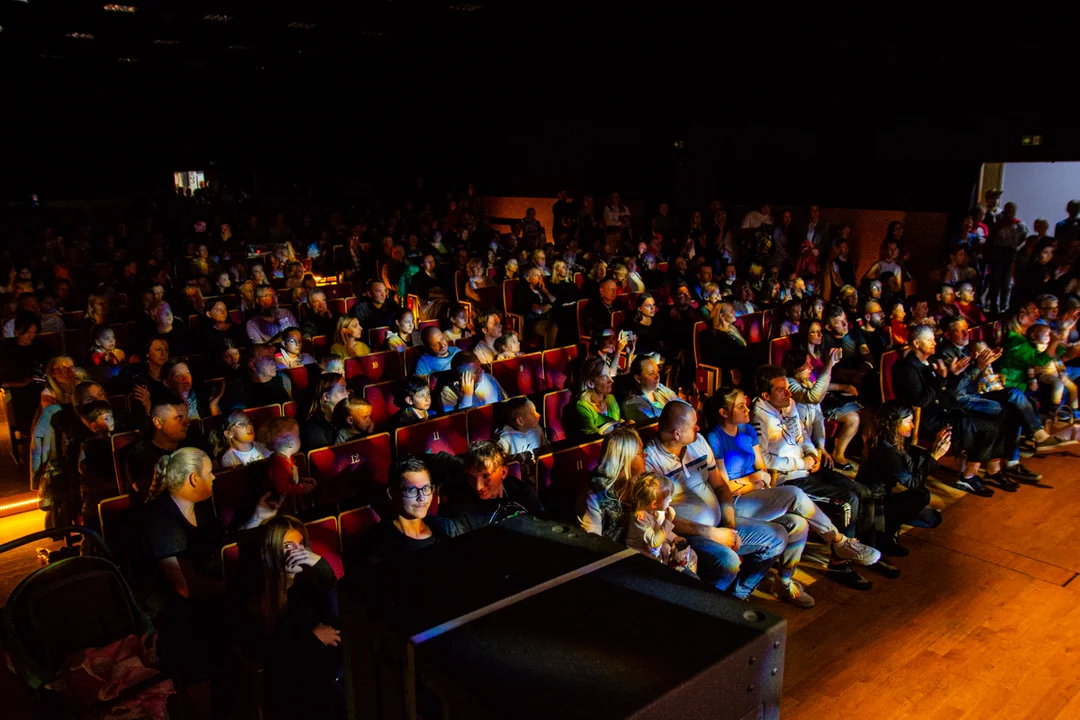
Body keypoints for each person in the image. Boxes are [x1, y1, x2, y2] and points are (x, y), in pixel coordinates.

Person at [705, 386, 880, 605]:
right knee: (795, 494)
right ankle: (838, 540)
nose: (747, 409)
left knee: (799, 524)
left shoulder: (748, 431)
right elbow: (725, 487)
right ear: (723, 412)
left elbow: (763, 469)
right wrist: (754, 481)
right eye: (740, 406)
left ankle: (784, 582)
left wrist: (757, 480)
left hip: (759, 494)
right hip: (735, 504)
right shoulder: (715, 437)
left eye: (746, 403)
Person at [750, 366, 891, 584]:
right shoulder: (759, 417)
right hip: (790, 478)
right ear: (766, 395)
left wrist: (811, 451)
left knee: (863, 491)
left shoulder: (790, 404)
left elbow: (802, 433)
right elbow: (764, 460)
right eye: (781, 390)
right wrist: (800, 461)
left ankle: (864, 548)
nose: (788, 394)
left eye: (788, 388)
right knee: (848, 500)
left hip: (808, 467)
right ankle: (839, 563)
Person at [643, 402, 787, 599]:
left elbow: (720, 486)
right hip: (689, 535)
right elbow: (657, 517)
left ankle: (737, 598)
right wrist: (711, 533)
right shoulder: (651, 459)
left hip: (720, 525)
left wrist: (730, 526)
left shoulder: (698, 442)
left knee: (777, 536)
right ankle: (705, 608)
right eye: (693, 425)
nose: (698, 428)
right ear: (677, 434)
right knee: (728, 561)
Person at [235, 514, 343, 720]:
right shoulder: (258, 596)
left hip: (325, 673)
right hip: (290, 685)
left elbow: (337, 620)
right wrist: (313, 639)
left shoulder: (309, 581)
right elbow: (268, 656)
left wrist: (323, 569)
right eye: (287, 546)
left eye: (301, 544)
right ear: (271, 550)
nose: (298, 552)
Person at [139, 447, 227, 687]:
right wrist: (237, 585)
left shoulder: (201, 508)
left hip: (206, 600)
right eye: (210, 472)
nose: (214, 477)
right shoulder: (163, 523)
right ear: (194, 478)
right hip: (178, 618)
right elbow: (186, 589)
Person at [891, 325, 1002, 497]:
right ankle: (968, 476)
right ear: (916, 343)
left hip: (945, 410)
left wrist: (954, 374)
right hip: (926, 419)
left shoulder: (932, 361)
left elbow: (948, 391)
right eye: (929, 340)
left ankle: (976, 472)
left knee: (996, 417)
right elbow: (920, 401)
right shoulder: (906, 367)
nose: (934, 342)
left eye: (933, 338)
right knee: (989, 427)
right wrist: (942, 379)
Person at [856, 402, 948, 557]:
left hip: (884, 496)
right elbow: (912, 483)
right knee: (921, 495)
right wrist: (934, 457)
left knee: (933, 519)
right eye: (909, 421)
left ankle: (891, 520)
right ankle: (884, 534)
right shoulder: (886, 451)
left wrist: (934, 449)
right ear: (894, 424)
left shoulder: (894, 440)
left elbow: (912, 467)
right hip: (873, 502)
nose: (912, 426)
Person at [440, 441, 544, 534]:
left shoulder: (521, 490)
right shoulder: (463, 514)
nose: (478, 486)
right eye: (472, 477)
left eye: (485, 476)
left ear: (503, 472)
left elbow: (541, 526)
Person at [783, 346, 862, 469]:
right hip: (795, 448)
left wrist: (821, 447)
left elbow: (818, 418)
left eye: (810, 363)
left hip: (808, 446)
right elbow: (813, 396)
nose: (811, 367)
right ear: (795, 367)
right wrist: (829, 366)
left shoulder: (807, 382)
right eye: (806, 364)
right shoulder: (789, 384)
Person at [367, 457, 457, 561]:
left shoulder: (445, 527)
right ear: (392, 493)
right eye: (412, 490)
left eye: (426, 488)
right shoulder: (378, 543)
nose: (422, 498)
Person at [126, 396, 204, 499]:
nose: (187, 422)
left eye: (186, 416)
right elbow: (152, 494)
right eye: (179, 418)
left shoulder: (194, 438)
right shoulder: (140, 455)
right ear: (158, 422)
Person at [625, 473, 697, 574]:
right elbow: (654, 541)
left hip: (656, 553)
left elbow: (661, 530)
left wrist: (676, 540)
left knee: (692, 554)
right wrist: (669, 519)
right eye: (668, 498)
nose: (671, 500)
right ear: (654, 504)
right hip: (642, 558)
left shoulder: (658, 512)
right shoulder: (640, 518)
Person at [987, 202, 1029, 314]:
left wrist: (1018, 248)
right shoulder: (998, 225)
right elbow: (991, 239)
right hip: (999, 253)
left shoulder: (1020, 225)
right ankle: (993, 305)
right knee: (996, 280)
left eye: (1012, 210)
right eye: (1008, 210)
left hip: (1012, 253)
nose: (1009, 213)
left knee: (1006, 281)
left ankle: (1004, 306)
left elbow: (1024, 239)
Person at [573, 356, 626, 437]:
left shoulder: (611, 399)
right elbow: (591, 438)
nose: (611, 380)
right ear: (590, 383)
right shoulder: (583, 406)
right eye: (604, 377)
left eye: (609, 375)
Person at [266, 417, 316, 503]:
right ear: (290, 443)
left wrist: (301, 480)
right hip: (283, 505)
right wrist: (301, 487)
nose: (300, 439)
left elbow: (289, 479)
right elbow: (282, 488)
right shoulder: (279, 463)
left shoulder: (289, 458)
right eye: (298, 436)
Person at [439, 351, 508, 413]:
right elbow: (458, 422)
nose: (482, 371)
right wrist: (467, 396)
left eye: (481, 366)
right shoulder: (447, 393)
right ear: (463, 377)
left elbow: (505, 401)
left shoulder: (488, 377)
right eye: (476, 371)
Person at [621, 356, 680, 424]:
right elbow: (657, 426)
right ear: (638, 378)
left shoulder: (660, 388)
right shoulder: (633, 403)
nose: (657, 376)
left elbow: (684, 406)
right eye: (651, 373)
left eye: (657, 371)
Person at [514, 266, 559, 348]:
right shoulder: (523, 291)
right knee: (552, 326)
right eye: (536, 276)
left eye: (540, 275)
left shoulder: (541, 289)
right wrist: (548, 306)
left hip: (548, 317)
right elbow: (538, 310)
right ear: (528, 279)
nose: (540, 278)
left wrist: (545, 291)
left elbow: (555, 302)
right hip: (534, 322)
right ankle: (548, 353)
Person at [303, 372, 349, 451]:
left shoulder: (346, 416)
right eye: (342, 389)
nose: (347, 394)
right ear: (326, 397)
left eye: (346, 388)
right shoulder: (315, 429)